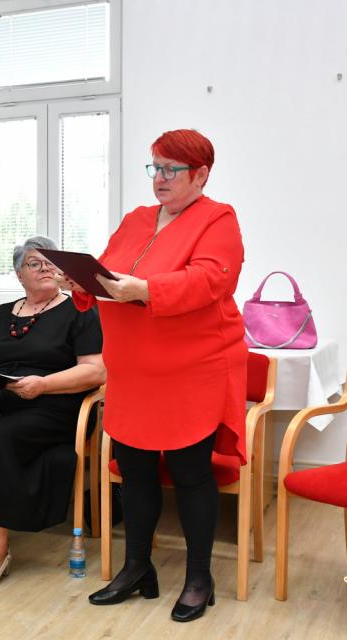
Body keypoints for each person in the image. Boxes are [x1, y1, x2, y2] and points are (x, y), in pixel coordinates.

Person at [66, 129, 246, 622]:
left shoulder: (218, 218)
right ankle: (137, 567)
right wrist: (79, 281)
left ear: (201, 174)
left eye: (171, 169)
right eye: (155, 167)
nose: (160, 178)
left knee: (190, 473)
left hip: (191, 369)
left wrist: (145, 289)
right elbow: (108, 275)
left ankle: (199, 578)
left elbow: (209, 280)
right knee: (136, 471)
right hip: (134, 372)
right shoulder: (137, 219)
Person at [0, 236, 105, 591]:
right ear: (18, 274)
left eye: (50, 263)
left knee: (2, 436)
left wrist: (43, 385)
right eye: (34, 263)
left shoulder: (80, 310)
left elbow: (95, 371)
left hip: (53, 405)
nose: (44, 268)